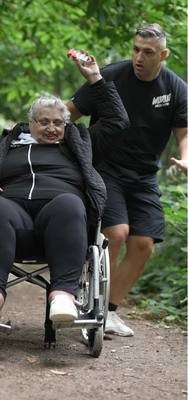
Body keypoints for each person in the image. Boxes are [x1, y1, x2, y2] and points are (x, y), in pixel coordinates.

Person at [0, 57, 129, 324]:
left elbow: (118, 122)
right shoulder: (2, 145)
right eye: (44, 122)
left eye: (58, 122)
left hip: (61, 223)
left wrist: (95, 78)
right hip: (12, 222)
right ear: (30, 123)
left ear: (66, 124)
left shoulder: (79, 142)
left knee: (70, 203)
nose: (51, 128)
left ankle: (63, 297)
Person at [67, 23, 187, 336]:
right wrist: (38, 135)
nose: (139, 57)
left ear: (162, 55)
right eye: (135, 49)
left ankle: (108, 311)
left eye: (148, 52)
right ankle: (91, 302)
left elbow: (184, 134)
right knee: (116, 233)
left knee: (144, 244)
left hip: (145, 175)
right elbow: (69, 113)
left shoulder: (175, 88)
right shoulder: (110, 76)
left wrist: (186, 158)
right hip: (106, 168)